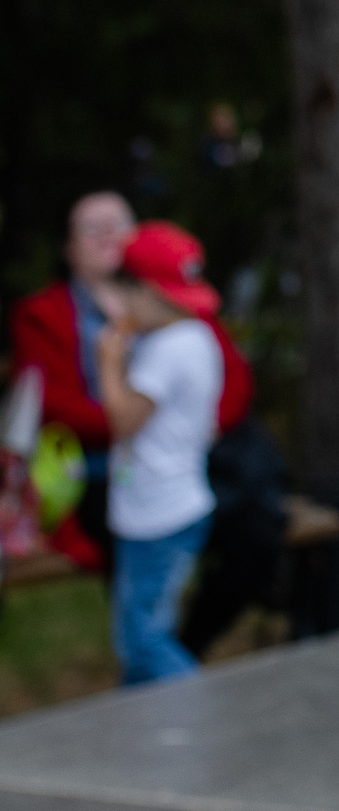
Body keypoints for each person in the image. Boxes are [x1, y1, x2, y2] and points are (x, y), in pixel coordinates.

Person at [9, 195, 254, 576]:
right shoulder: (41, 314)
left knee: (252, 520)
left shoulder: (173, 299)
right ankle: (151, 633)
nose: (109, 234)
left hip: (180, 457)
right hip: (100, 466)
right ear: (69, 249)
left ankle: (160, 635)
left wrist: (194, 427)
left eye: (119, 223)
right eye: (93, 227)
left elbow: (231, 374)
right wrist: (137, 417)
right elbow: (54, 404)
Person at [93, 234, 226, 684]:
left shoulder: (169, 348)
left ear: (146, 292)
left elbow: (125, 422)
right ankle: (144, 728)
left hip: (157, 516)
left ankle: (202, 713)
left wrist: (109, 363)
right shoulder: (198, 337)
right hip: (174, 503)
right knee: (144, 635)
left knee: (142, 640)